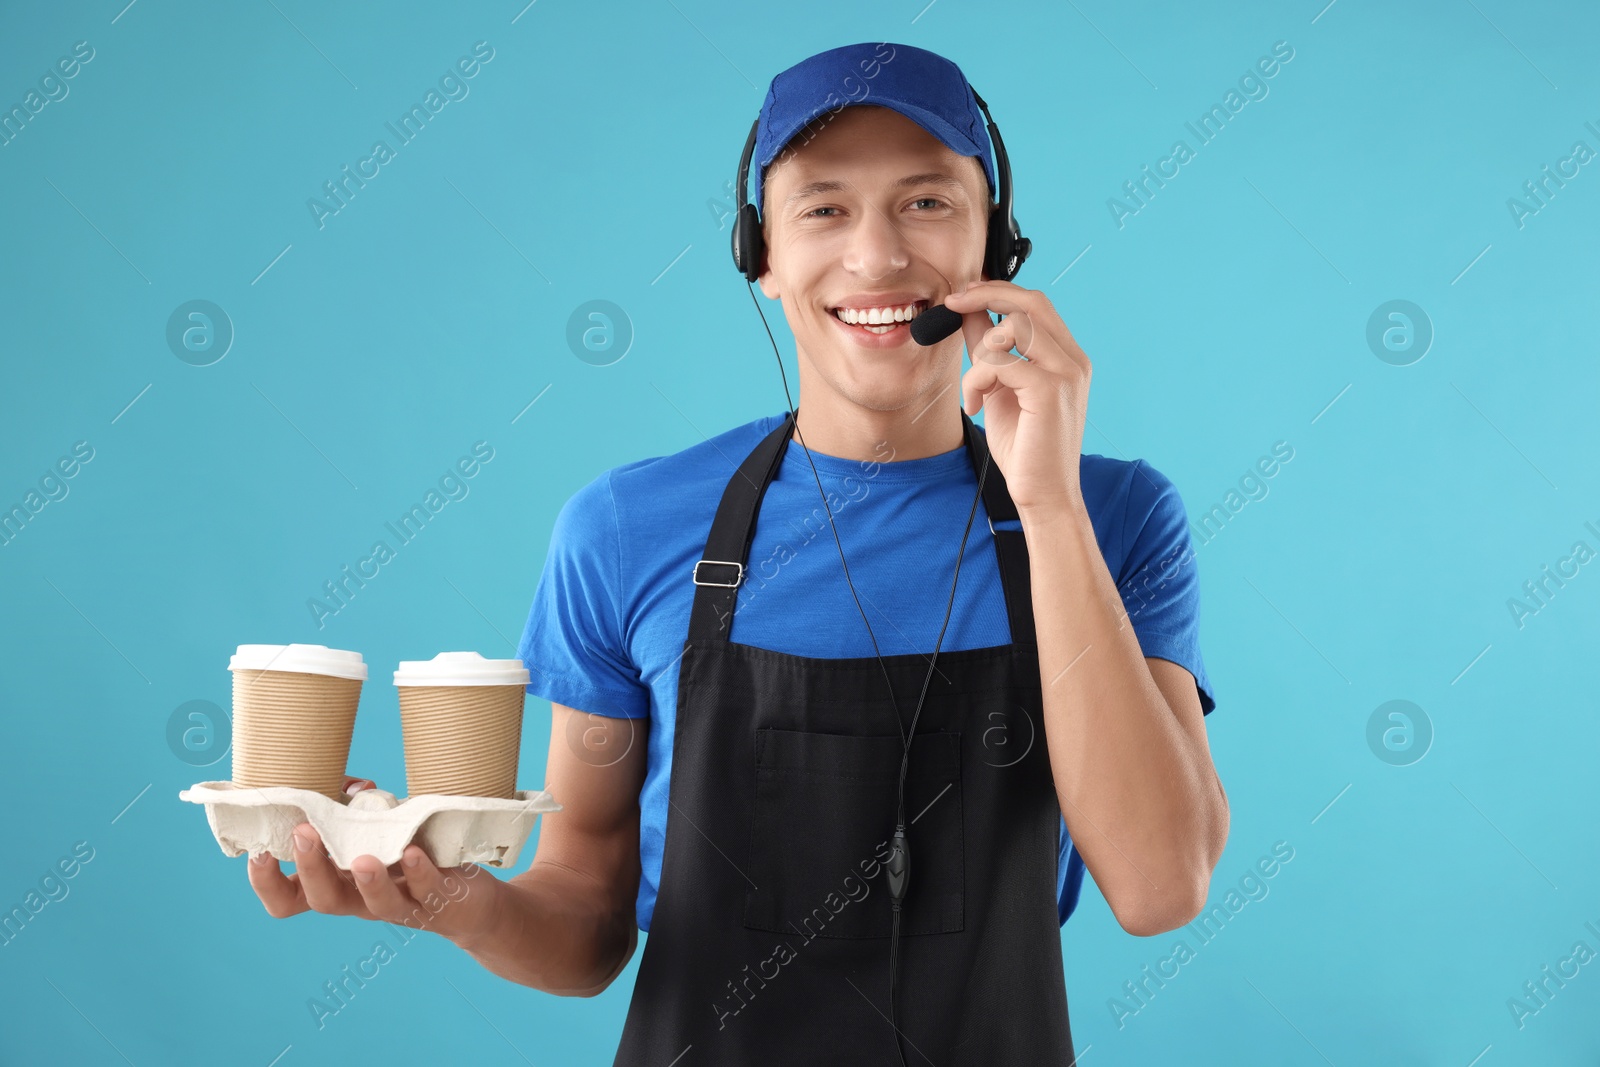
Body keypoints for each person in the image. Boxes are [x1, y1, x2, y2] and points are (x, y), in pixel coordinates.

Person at [248, 41, 1226, 1065]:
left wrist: (1050, 508)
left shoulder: (1113, 516)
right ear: (760, 257)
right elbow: (585, 912)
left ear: (999, 245)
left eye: (927, 203)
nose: (878, 256)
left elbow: (1160, 886)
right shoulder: (624, 529)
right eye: (823, 209)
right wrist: (456, 902)